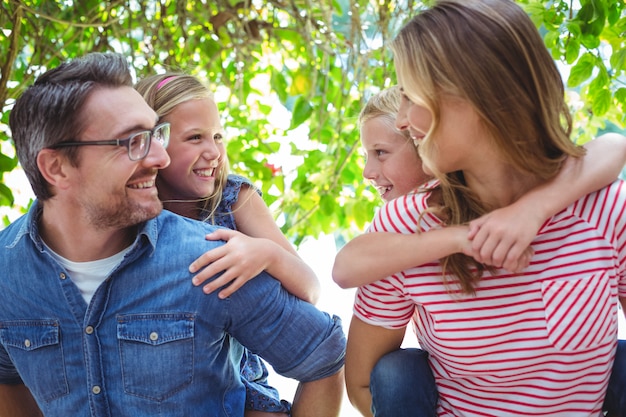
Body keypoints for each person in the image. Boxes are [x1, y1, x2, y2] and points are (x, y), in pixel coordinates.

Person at [0, 52, 345, 417]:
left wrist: (270, 255)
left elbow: (322, 354)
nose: (159, 158)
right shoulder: (7, 274)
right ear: (56, 168)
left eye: (155, 136)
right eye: (132, 141)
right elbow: (7, 377)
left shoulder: (212, 256)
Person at [343, 1, 626, 416]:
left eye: (410, 96)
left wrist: (532, 211)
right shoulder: (405, 225)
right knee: (396, 372)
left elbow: (612, 148)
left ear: (474, 97)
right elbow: (366, 385)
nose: (402, 120)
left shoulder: (604, 209)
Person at [134, 72, 320, 416]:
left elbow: (310, 289)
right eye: (195, 138)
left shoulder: (234, 200)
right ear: (153, 142)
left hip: (238, 377)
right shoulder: (133, 208)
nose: (213, 152)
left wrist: (266, 255)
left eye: (217, 136)